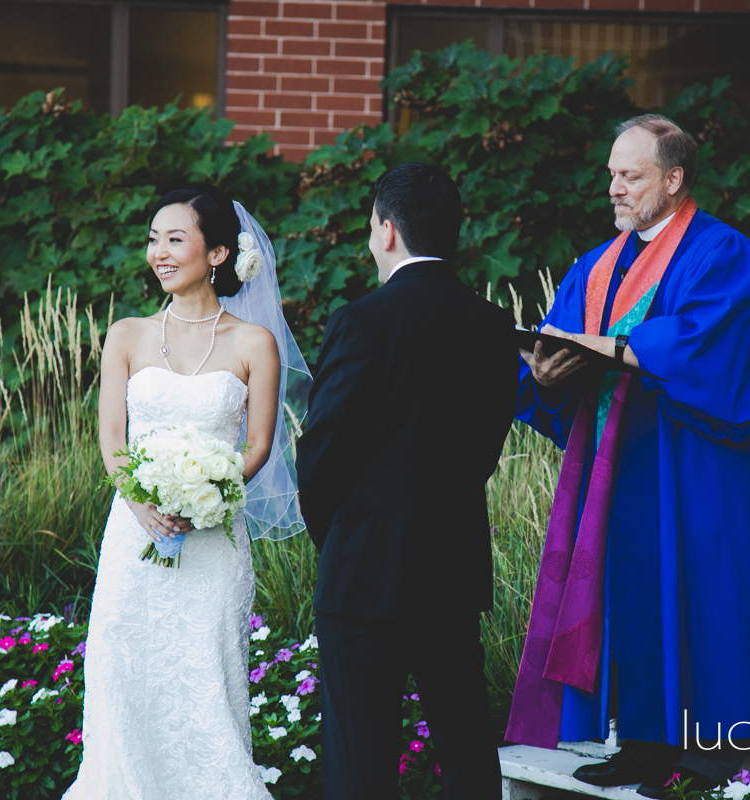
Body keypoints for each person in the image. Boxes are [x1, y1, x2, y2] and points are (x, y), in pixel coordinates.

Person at [506, 115, 750, 796]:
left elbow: (700, 348)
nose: (614, 188)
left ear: (673, 178)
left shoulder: (720, 252)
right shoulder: (600, 264)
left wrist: (611, 350)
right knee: (632, 593)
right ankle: (642, 746)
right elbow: (562, 345)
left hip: (700, 462)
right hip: (623, 460)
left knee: (707, 594)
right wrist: (544, 376)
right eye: (611, 174)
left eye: (629, 175)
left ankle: (716, 752)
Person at [66, 184, 310, 799]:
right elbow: (112, 440)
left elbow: (258, 444)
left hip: (212, 543)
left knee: (206, 686)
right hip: (132, 538)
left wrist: (210, 491)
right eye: (154, 239)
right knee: (126, 681)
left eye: (175, 239)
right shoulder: (126, 335)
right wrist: (145, 501)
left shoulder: (256, 343)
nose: (159, 253)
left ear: (220, 253)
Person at [295, 162, 519, 800]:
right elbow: (484, 446)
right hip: (453, 562)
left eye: (371, 228)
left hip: (364, 570)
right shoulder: (492, 324)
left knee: (360, 754)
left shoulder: (362, 321)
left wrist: (337, 536)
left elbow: (322, 453)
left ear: (387, 231)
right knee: (465, 742)